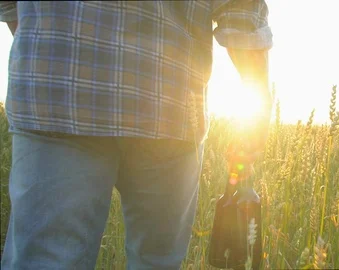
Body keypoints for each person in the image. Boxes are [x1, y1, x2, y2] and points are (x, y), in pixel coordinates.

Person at [0, 1, 272, 269]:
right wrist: (259, 99)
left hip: (58, 88)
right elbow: (239, 7)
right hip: (169, 99)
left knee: (46, 261)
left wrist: (43, 41)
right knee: (157, 263)